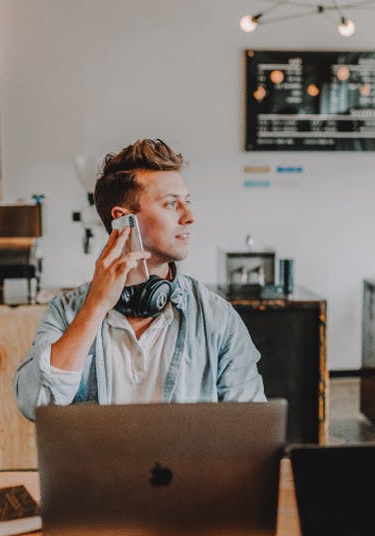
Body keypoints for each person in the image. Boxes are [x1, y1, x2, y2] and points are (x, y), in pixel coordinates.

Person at [14, 139, 265, 420]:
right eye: (171, 204)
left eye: (187, 202)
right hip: (97, 466)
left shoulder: (217, 318)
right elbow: (34, 403)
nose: (190, 216)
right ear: (123, 220)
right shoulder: (66, 312)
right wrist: (95, 307)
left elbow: (250, 425)